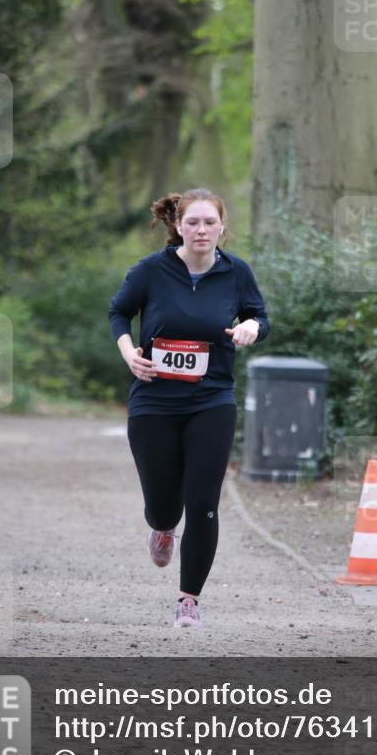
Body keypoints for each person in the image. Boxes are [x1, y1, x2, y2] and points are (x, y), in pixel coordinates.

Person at [109, 188, 269, 628]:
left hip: (212, 398)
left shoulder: (237, 273)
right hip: (154, 399)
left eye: (210, 223)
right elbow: (118, 313)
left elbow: (260, 314)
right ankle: (162, 527)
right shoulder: (151, 270)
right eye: (193, 222)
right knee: (165, 505)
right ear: (178, 226)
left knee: (203, 503)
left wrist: (252, 327)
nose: (201, 230)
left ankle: (188, 601)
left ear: (222, 228)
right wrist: (129, 353)